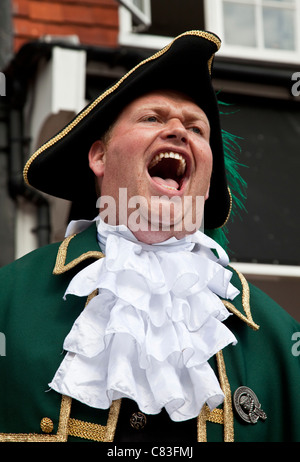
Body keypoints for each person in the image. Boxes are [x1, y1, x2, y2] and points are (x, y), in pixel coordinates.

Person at [0, 30, 299, 443]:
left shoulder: (280, 342)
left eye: (197, 129)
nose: (178, 131)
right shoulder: (8, 301)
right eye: (153, 118)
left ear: (208, 184)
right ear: (99, 157)